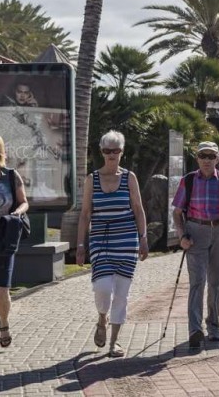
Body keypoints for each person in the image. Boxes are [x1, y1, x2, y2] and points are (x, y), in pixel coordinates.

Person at [76, 131, 149, 357]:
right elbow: (85, 214)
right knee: (103, 288)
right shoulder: (92, 179)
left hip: (127, 241)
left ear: (121, 152)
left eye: (115, 150)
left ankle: (114, 341)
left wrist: (143, 237)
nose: (111, 154)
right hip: (101, 242)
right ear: (102, 152)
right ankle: (102, 318)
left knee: (121, 294)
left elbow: (138, 209)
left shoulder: (129, 178)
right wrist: (80, 246)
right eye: (107, 150)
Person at [172, 141, 219, 348]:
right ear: (197, 158)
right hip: (195, 231)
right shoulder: (188, 180)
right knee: (197, 281)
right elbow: (177, 212)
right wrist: (181, 236)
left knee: (215, 282)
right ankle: (195, 329)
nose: (207, 160)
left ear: (217, 159)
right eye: (203, 155)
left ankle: (213, 326)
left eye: (211, 156)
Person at [0, 135, 29, 348]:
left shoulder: (10, 176)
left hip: (5, 238)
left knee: (2, 290)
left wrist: (17, 213)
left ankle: (4, 322)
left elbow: (24, 202)